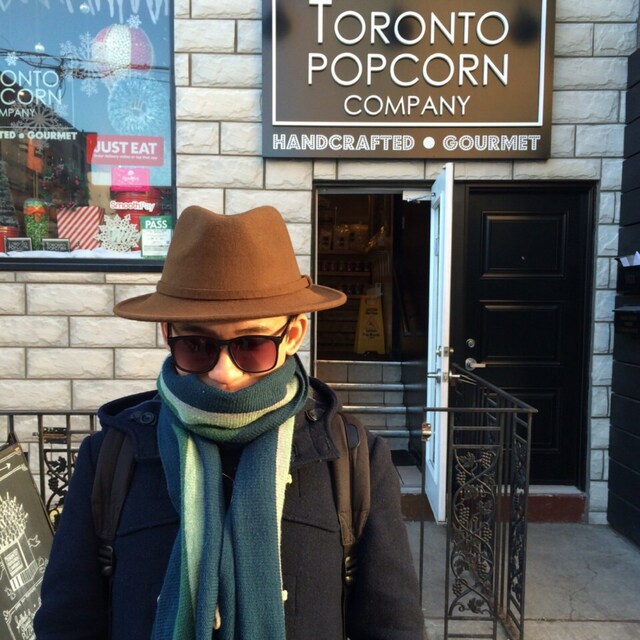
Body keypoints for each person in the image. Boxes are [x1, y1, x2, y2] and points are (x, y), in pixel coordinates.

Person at [34, 205, 424, 640]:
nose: (224, 373)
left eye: (252, 345)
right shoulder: (110, 456)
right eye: (196, 345)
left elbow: (392, 625)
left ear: (293, 335)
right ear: (167, 333)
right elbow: (66, 622)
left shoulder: (353, 458)